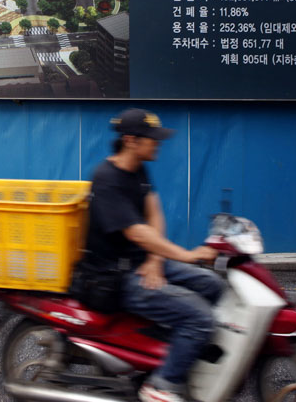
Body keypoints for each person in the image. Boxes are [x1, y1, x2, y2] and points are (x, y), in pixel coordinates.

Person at [82, 108, 223, 402]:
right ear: (131, 140)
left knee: (213, 285)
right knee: (199, 317)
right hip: (115, 278)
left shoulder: (138, 168)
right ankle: (161, 385)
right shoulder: (106, 178)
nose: (158, 143)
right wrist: (186, 255)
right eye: (152, 138)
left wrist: (155, 259)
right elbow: (137, 232)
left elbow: (154, 214)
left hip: (141, 262)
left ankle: (174, 349)